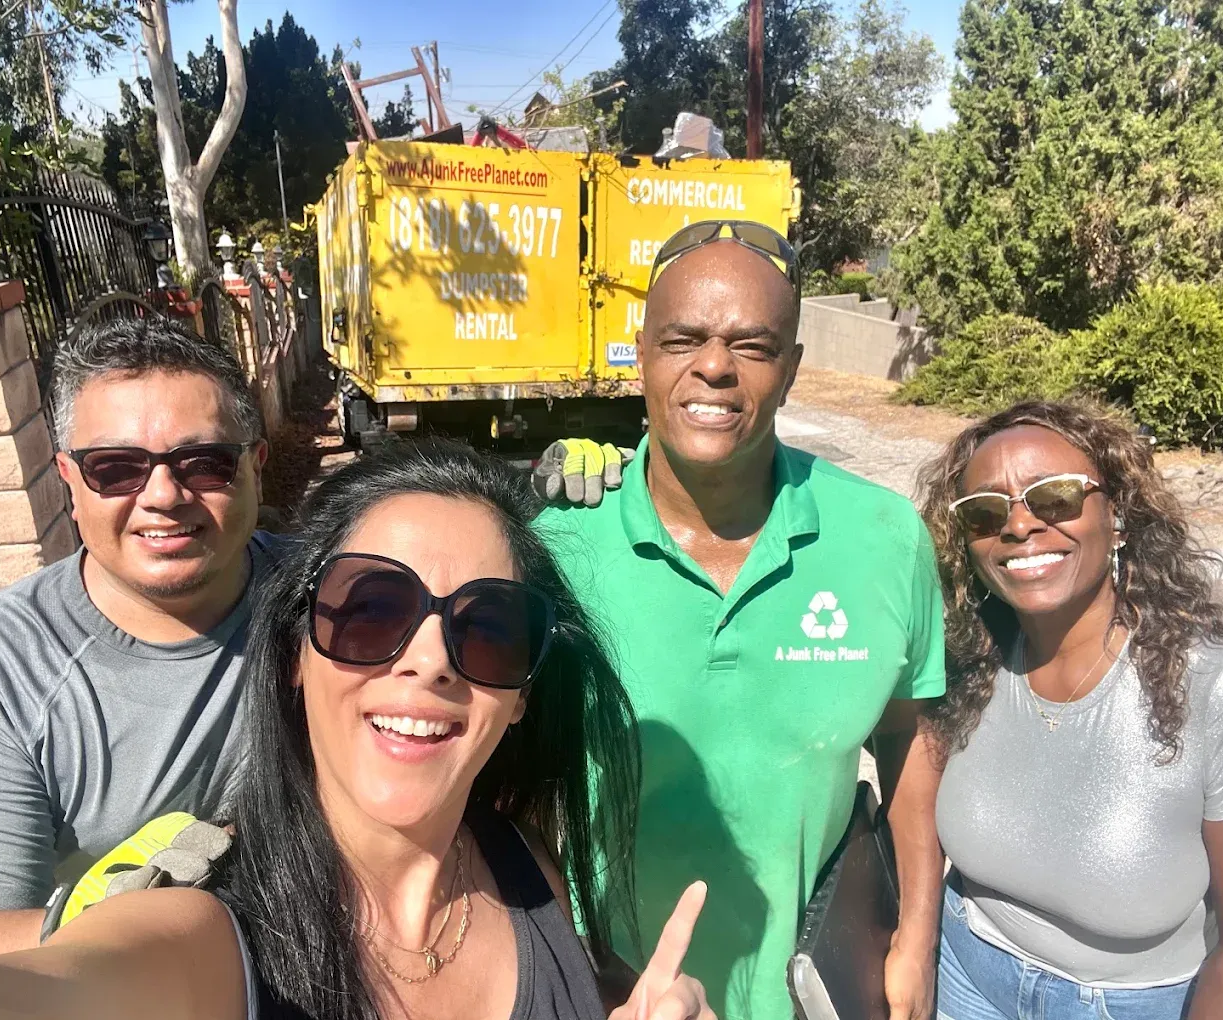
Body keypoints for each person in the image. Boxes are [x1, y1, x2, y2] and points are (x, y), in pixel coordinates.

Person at [0, 441, 714, 1020]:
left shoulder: (525, 865)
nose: (430, 661)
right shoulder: (207, 938)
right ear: (294, 655)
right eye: (371, 608)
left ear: (522, 693)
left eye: (489, 627)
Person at [534, 220, 948, 1020]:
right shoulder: (556, 543)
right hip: (610, 989)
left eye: (751, 346)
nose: (713, 367)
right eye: (681, 339)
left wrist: (912, 943)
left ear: (791, 370)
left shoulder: (884, 537)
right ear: (642, 354)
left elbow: (907, 739)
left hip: (810, 995)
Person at [916, 400, 1223, 1020]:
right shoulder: (967, 660)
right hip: (965, 977)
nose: (1020, 526)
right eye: (985, 512)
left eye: (1055, 498)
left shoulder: (1207, 684)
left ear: (1117, 517)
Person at [0, 318, 276, 951]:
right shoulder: (15, 668)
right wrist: (107, 922)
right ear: (70, 481)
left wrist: (553, 533)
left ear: (254, 467)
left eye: (204, 462)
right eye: (116, 467)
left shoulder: (334, 600)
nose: (163, 495)